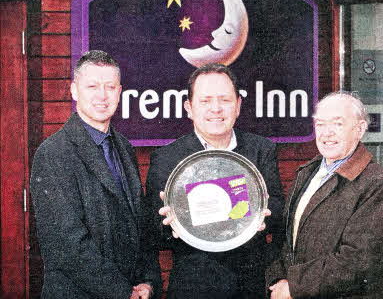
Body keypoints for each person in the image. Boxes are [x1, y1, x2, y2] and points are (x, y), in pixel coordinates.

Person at [144, 63, 284, 298]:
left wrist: (264, 215)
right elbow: (153, 231)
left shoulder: (262, 150)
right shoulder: (167, 158)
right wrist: (170, 224)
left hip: (249, 288)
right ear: (189, 107)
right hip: (195, 289)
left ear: (238, 105)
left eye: (225, 100)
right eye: (205, 101)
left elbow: (278, 209)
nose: (216, 109)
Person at [30, 50, 161, 299]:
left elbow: (140, 227)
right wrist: (124, 293)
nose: (102, 95)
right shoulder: (53, 153)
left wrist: (148, 282)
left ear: (119, 92)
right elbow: (68, 245)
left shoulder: (124, 147)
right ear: (74, 91)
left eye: (110, 87)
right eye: (92, 86)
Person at [266, 93, 383, 298]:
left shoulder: (376, 184)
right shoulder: (306, 173)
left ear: (360, 129)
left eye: (337, 124)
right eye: (320, 124)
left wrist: (294, 286)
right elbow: (283, 238)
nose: (326, 133)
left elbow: (356, 261)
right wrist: (278, 279)